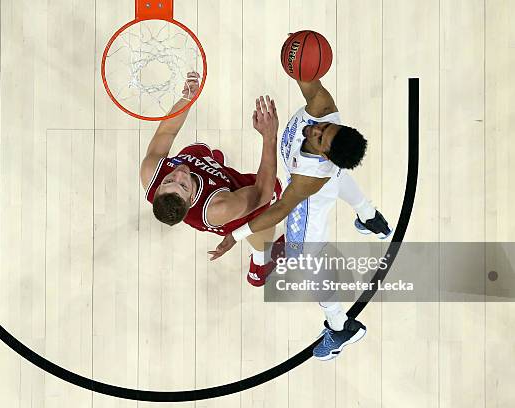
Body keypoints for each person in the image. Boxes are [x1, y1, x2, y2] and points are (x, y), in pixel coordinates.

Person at [209, 74, 392, 361]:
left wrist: (235, 235)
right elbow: (308, 75)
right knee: (338, 178)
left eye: (320, 138)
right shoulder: (323, 107)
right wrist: (297, 56)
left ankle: (340, 326)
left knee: (304, 260)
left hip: (307, 209)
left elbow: (279, 209)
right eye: (325, 128)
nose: (316, 129)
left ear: (326, 156)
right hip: (329, 177)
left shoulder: (310, 177)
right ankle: (368, 215)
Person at [140, 72, 285, 286]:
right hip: (236, 204)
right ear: (190, 199)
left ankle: (214, 166)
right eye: (182, 185)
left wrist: (187, 99)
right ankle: (260, 266)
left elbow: (167, 132)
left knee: (195, 151)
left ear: (157, 188)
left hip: (206, 174)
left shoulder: (150, 173)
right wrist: (269, 136)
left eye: (168, 181)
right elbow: (262, 193)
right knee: (268, 205)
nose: (179, 174)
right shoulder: (221, 207)